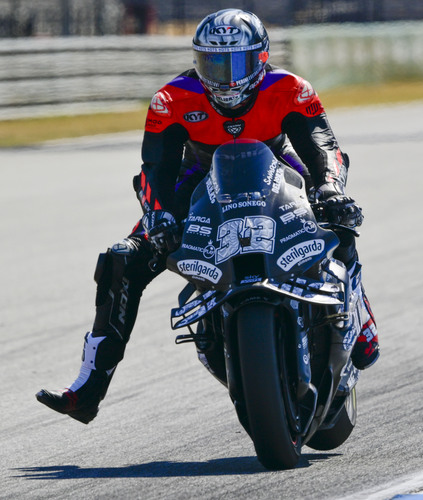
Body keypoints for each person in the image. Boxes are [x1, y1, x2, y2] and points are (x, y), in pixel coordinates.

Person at [36, 8, 379, 425]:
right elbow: (154, 170)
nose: (226, 76)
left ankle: (360, 318)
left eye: (238, 62)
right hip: (199, 176)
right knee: (121, 259)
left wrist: (329, 187)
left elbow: (324, 147)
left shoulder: (291, 88)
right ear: (198, 60)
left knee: (338, 218)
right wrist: (158, 215)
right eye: (213, 62)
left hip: (280, 165)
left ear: (262, 58)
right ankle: (89, 388)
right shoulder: (171, 98)